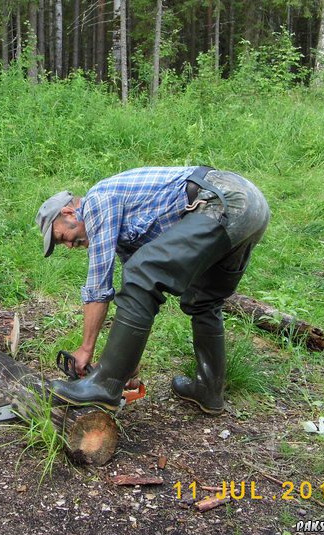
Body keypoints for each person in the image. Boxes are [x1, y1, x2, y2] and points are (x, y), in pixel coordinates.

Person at [35, 166, 270, 415]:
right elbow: (139, 301)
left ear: (69, 212)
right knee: (202, 299)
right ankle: (209, 390)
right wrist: (128, 366)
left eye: (63, 236)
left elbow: (99, 285)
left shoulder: (96, 200)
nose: (70, 245)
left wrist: (86, 349)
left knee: (141, 274)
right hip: (251, 207)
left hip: (224, 199)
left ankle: (104, 386)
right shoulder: (124, 228)